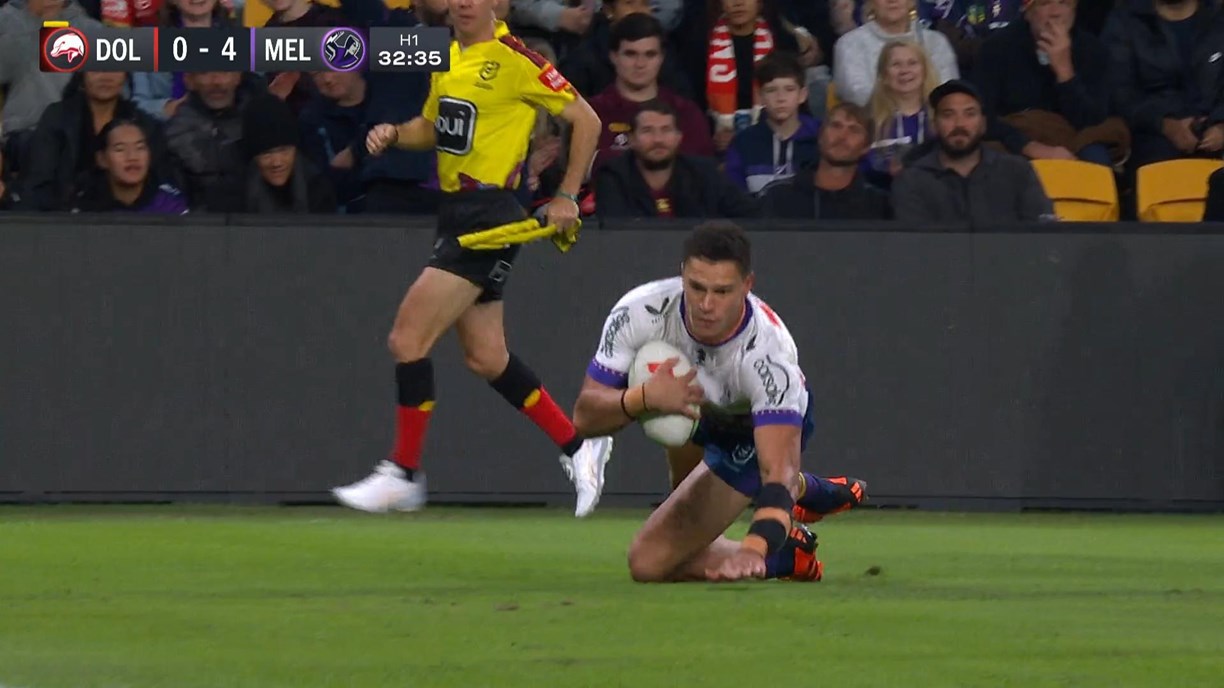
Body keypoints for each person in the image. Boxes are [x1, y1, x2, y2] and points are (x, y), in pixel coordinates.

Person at [332, 0, 612, 518]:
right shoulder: (448, 58)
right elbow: (434, 128)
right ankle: (579, 445)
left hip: (489, 217)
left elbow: (587, 120)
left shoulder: (515, 59)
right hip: (456, 212)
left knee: (407, 339)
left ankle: (404, 472)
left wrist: (568, 195)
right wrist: (396, 133)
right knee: (487, 357)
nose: (461, 3)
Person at [572, 223, 868, 582]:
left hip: (751, 430)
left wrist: (753, 549)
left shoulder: (769, 356)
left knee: (647, 563)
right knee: (686, 519)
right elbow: (585, 417)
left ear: (747, 286)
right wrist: (644, 398)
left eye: (722, 291)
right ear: (682, 275)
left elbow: (778, 473)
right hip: (698, 416)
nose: (706, 305)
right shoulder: (640, 311)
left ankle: (788, 555)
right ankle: (806, 505)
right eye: (696, 287)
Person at [72, 119, 189, 214]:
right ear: (102, 159)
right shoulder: (85, 206)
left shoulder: (170, 203)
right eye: (120, 149)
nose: (132, 157)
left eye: (140, 148)